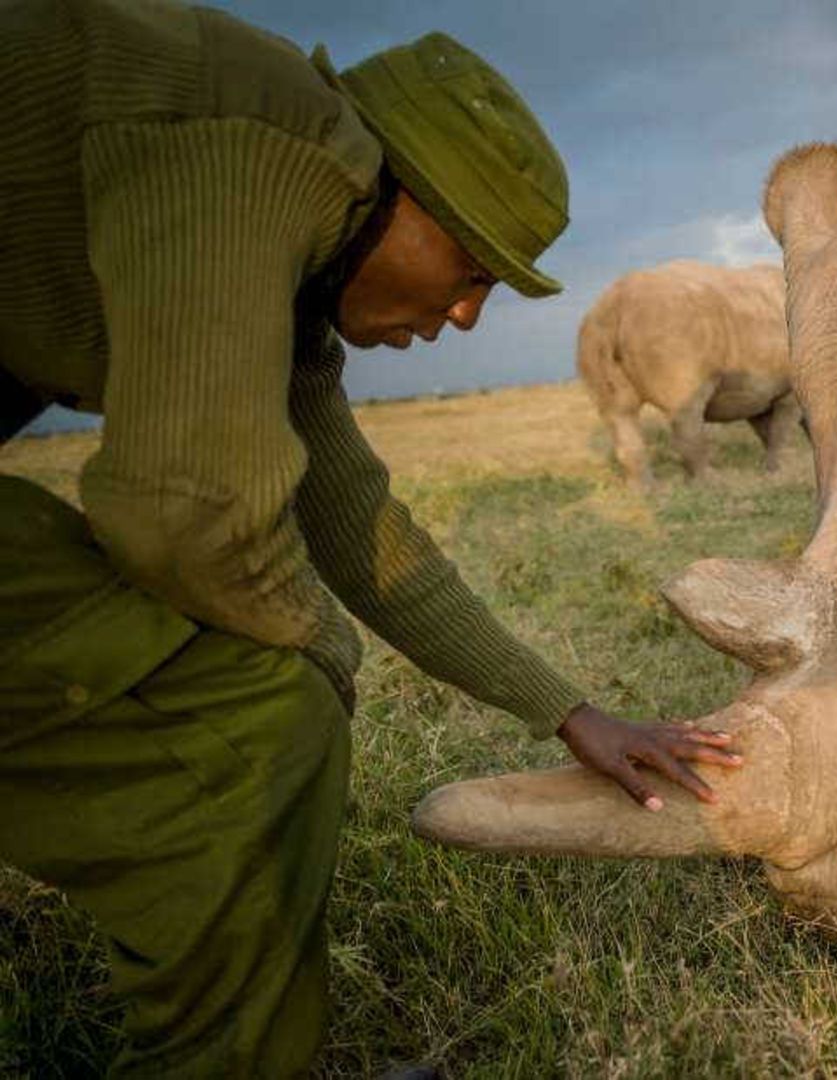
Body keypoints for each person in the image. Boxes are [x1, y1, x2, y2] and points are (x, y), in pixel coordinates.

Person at [0, 2, 739, 1073]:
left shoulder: (288, 268)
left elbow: (358, 527)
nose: (470, 316)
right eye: (474, 267)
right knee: (257, 711)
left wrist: (566, 710)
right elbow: (183, 510)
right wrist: (319, 648)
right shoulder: (256, 145)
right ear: (397, 196)